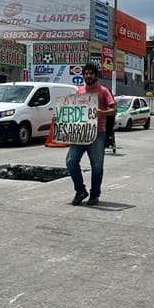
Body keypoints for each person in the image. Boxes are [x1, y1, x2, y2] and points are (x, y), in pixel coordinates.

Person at [66, 63, 116, 206]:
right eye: (86, 74)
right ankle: (80, 190)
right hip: (80, 133)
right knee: (70, 161)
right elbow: (73, 111)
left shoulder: (103, 91)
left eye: (91, 73)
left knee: (97, 166)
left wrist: (103, 113)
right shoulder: (79, 92)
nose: (88, 76)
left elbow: (113, 110)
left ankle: (95, 194)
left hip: (97, 133)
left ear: (96, 75)